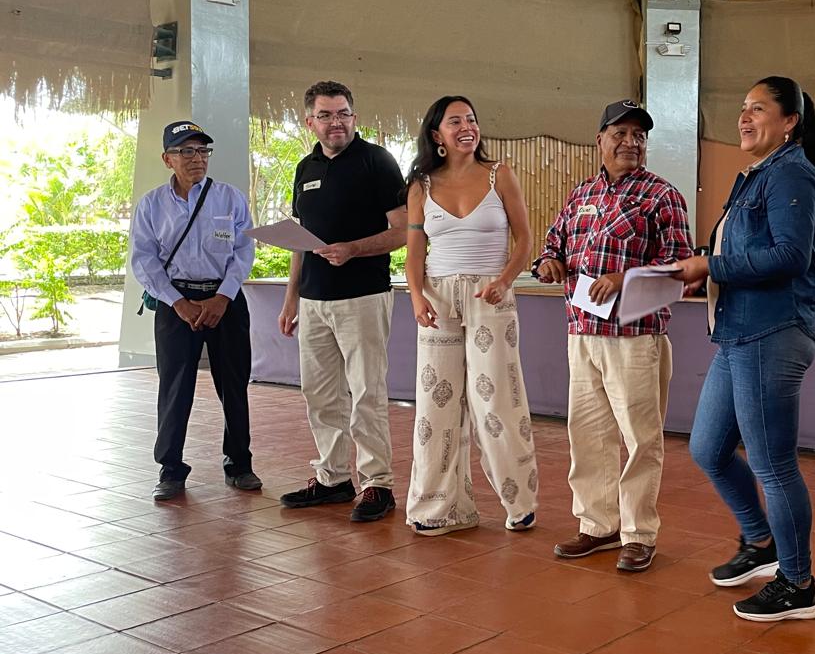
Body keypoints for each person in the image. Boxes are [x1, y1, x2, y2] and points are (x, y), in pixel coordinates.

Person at [671, 76, 815, 621]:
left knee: (773, 465)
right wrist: (705, 271)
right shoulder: (757, 176)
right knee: (708, 449)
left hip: (771, 333)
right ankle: (761, 543)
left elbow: (789, 256)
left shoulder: (791, 174)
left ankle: (798, 583)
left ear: (789, 122)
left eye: (758, 109)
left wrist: (711, 265)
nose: (744, 117)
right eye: (742, 108)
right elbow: (741, 252)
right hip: (738, 334)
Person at [535, 99, 692, 572]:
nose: (630, 142)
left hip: (635, 338)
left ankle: (639, 533)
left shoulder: (662, 196)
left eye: (639, 135)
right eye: (620, 133)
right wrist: (549, 263)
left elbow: (682, 268)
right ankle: (597, 525)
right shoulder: (581, 195)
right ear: (600, 139)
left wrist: (625, 279)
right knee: (588, 435)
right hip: (582, 332)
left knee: (640, 439)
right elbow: (553, 245)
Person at [403, 96, 539, 535]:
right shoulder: (421, 185)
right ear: (436, 134)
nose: (467, 127)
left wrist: (504, 280)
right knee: (436, 404)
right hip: (437, 298)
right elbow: (414, 253)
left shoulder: (501, 174)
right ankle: (440, 508)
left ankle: (519, 502)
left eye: (472, 119)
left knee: (496, 399)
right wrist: (416, 297)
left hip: (490, 297)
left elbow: (524, 240)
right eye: (455, 121)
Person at [278, 81, 407, 523]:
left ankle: (377, 484)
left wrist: (353, 249)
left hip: (363, 296)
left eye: (343, 114)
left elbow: (403, 230)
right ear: (310, 121)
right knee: (319, 393)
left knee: (367, 391)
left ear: (355, 117)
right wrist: (291, 299)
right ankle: (332, 477)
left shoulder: (377, 161)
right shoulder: (305, 168)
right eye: (326, 115)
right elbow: (299, 240)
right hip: (313, 301)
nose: (337, 122)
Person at [129, 120, 258, 501]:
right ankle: (170, 469)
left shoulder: (230, 198)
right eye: (186, 151)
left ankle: (240, 464)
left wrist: (223, 297)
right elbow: (143, 259)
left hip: (225, 301)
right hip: (176, 303)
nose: (197, 158)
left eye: (202, 151)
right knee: (175, 387)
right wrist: (177, 302)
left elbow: (244, 251)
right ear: (167, 159)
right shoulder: (151, 205)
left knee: (233, 384)